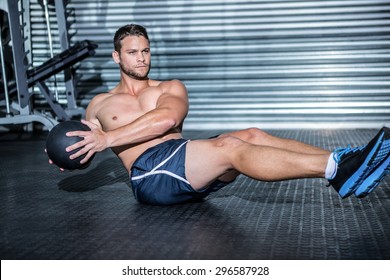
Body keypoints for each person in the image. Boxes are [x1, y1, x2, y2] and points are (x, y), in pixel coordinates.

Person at [54, 24, 390, 206]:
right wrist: (65, 153)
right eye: (132, 53)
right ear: (117, 57)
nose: (142, 58)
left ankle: (347, 161)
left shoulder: (170, 87)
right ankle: (337, 170)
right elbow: (84, 143)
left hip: (183, 157)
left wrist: (108, 138)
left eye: (146, 51)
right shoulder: (99, 104)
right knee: (228, 146)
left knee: (253, 135)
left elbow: (167, 121)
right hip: (149, 176)